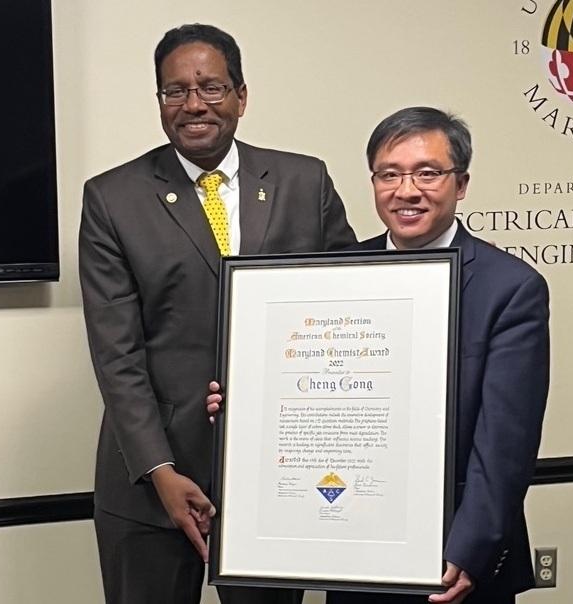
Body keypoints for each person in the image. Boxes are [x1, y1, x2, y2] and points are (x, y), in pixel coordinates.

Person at [208, 107, 549, 604]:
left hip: (454, 565)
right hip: (353, 553)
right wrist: (244, 406)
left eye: (428, 173)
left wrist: (471, 548)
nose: (406, 190)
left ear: (462, 183)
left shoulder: (510, 288)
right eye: (389, 174)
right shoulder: (334, 276)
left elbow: (505, 445)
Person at [79, 23, 356, 604]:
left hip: (278, 475)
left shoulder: (304, 181)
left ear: (241, 96)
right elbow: (116, 353)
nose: (193, 105)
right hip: (153, 481)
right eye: (174, 91)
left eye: (210, 87)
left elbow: (351, 311)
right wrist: (160, 470)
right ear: (159, 100)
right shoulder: (112, 198)